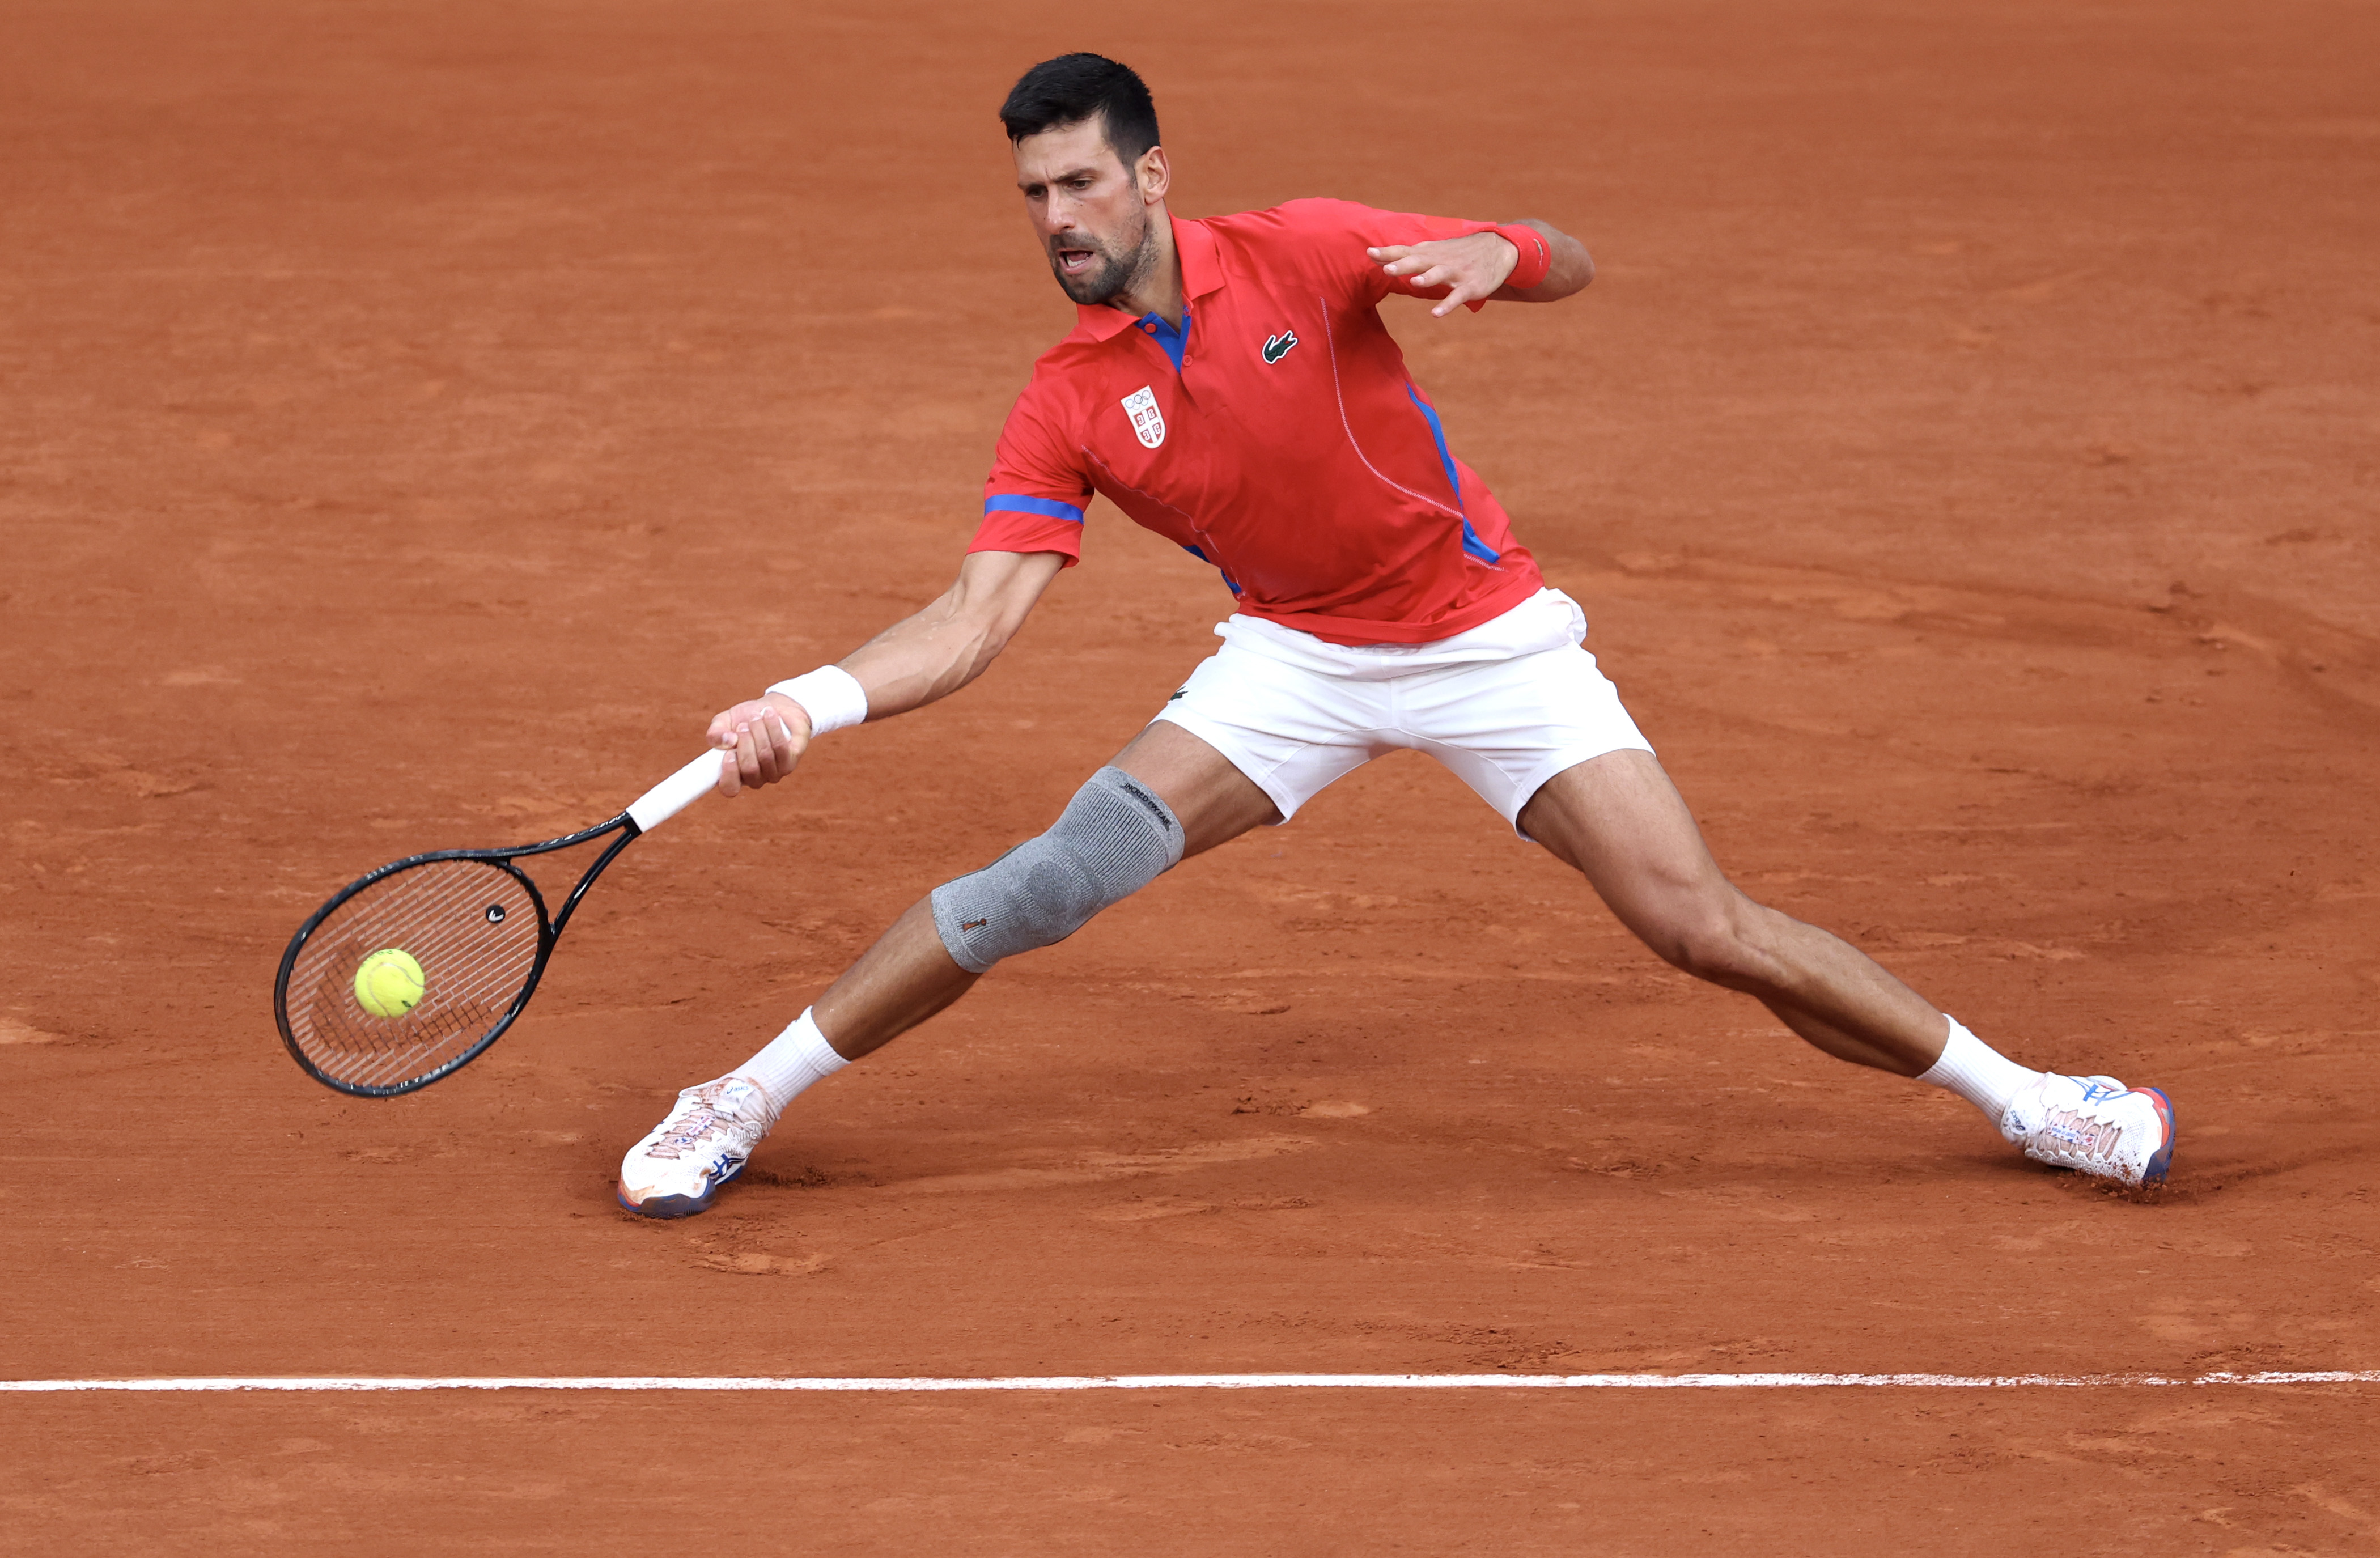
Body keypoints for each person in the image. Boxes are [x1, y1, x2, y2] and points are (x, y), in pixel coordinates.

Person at [615, 53, 2174, 1219]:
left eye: (1082, 183)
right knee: (1044, 881)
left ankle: (2035, 1102)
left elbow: (1562, 250)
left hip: (1489, 639)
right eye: (1033, 195)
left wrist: (1511, 255)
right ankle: (737, 1100)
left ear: (1151, 177)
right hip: (1294, 661)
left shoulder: (1299, 249)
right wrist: (805, 705)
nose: (1057, 219)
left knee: (1702, 926)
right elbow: (974, 619)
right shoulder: (1069, 395)